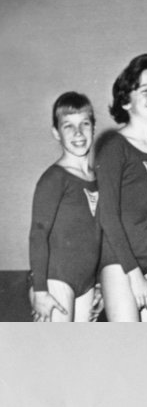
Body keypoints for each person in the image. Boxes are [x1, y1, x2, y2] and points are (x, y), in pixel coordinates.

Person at [97, 53, 147, 322]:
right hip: (121, 264)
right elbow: (107, 216)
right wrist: (133, 275)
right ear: (126, 100)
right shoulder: (114, 148)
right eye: (146, 90)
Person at [28, 92, 101, 322]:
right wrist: (40, 291)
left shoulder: (99, 178)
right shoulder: (54, 178)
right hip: (54, 281)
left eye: (84, 124)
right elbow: (38, 233)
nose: (78, 133)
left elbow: (100, 234)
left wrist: (100, 283)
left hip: (87, 284)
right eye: (68, 126)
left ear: (94, 128)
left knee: (82, 353)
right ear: (56, 133)